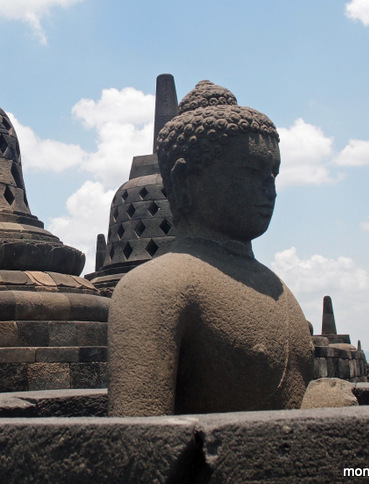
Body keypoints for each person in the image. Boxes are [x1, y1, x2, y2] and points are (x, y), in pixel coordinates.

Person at [108, 80, 313, 416]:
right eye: (251, 171)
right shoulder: (155, 290)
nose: (269, 189)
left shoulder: (278, 291)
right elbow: (139, 446)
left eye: (273, 174)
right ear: (187, 180)